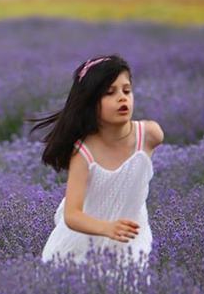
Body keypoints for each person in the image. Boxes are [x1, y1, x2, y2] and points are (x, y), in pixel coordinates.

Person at [31, 55, 164, 266]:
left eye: (126, 90)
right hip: (84, 239)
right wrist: (107, 228)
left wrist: (117, 229)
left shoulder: (149, 135)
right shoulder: (84, 153)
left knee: (130, 291)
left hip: (130, 235)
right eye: (110, 93)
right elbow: (72, 215)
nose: (122, 98)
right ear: (90, 103)